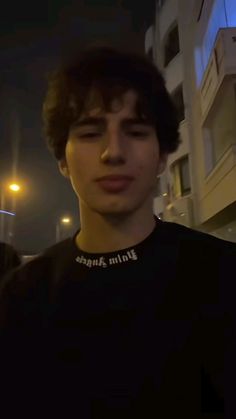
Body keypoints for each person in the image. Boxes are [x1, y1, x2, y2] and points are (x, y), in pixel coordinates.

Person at [0, 46, 235, 419]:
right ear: (63, 159)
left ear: (161, 157)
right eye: (91, 133)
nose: (113, 152)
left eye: (136, 131)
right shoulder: (19, 298)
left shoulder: (223, 276)